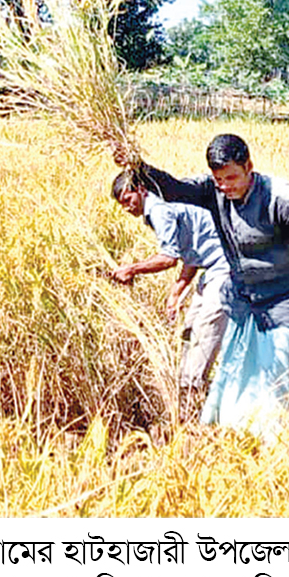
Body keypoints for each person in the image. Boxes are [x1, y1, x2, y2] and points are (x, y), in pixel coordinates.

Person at [117, 133, 289, 443]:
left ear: (249, 167)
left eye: (232, 177)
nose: (226, 186)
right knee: (235, 373)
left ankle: (273, 443)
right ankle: (235, 439)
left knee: (274, 374)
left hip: (284, 298)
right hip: (243, 297)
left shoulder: (281, 200)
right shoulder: (212, 192)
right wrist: (139, 168)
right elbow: (175, 189)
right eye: (219, 179)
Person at [110, 169, 231, 423]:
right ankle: (188, 392)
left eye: (128, 200)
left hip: (226, 266)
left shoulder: (159, 210)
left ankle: (192, 404)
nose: (127, 208)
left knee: (205, 329)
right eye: (122, 205)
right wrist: (176, 293)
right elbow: (191, 253)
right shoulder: (159, 210)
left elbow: (169, 258)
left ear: (141, 190)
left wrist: (131, 269)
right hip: (211, 268)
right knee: (189, 330)